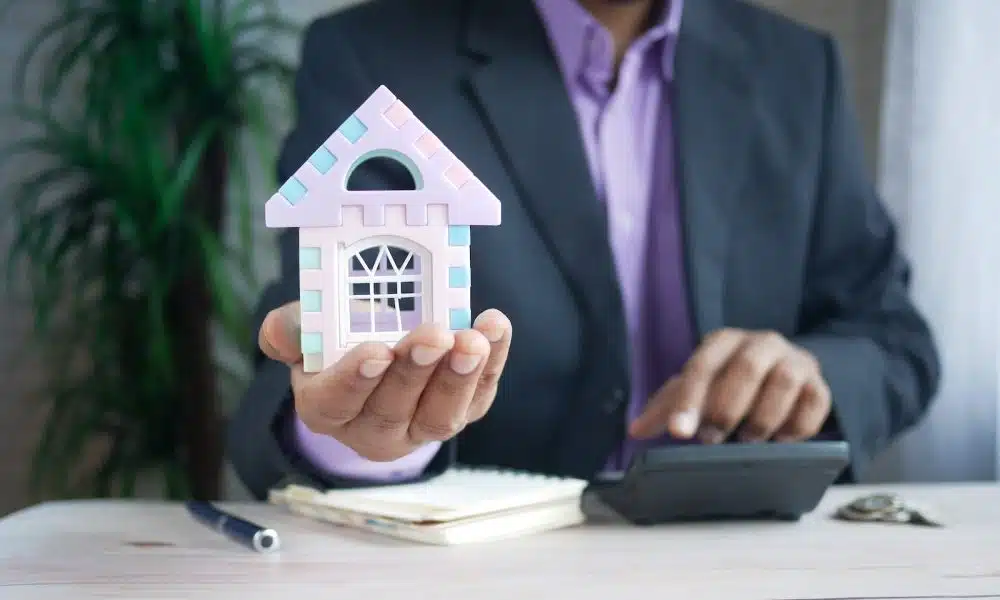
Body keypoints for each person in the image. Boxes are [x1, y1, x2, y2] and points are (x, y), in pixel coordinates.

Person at [227, 0, 941, 499]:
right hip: (489, 567)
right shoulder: (372, 57)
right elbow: (305, 357)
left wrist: (812, 373)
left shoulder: (797, 67)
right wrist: (362, 437)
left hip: (747, 552)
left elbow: (893, 339)